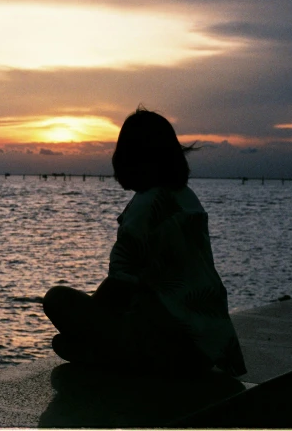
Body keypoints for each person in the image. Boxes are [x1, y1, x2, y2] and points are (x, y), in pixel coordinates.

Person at [43, 107, 246, 376]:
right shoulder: (187, 199)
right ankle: (100, 351)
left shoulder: (145, 208)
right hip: (206, 350)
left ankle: (106, 355)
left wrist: (88, 320)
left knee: (57, 299)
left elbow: (118, 285)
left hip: (164, 349)